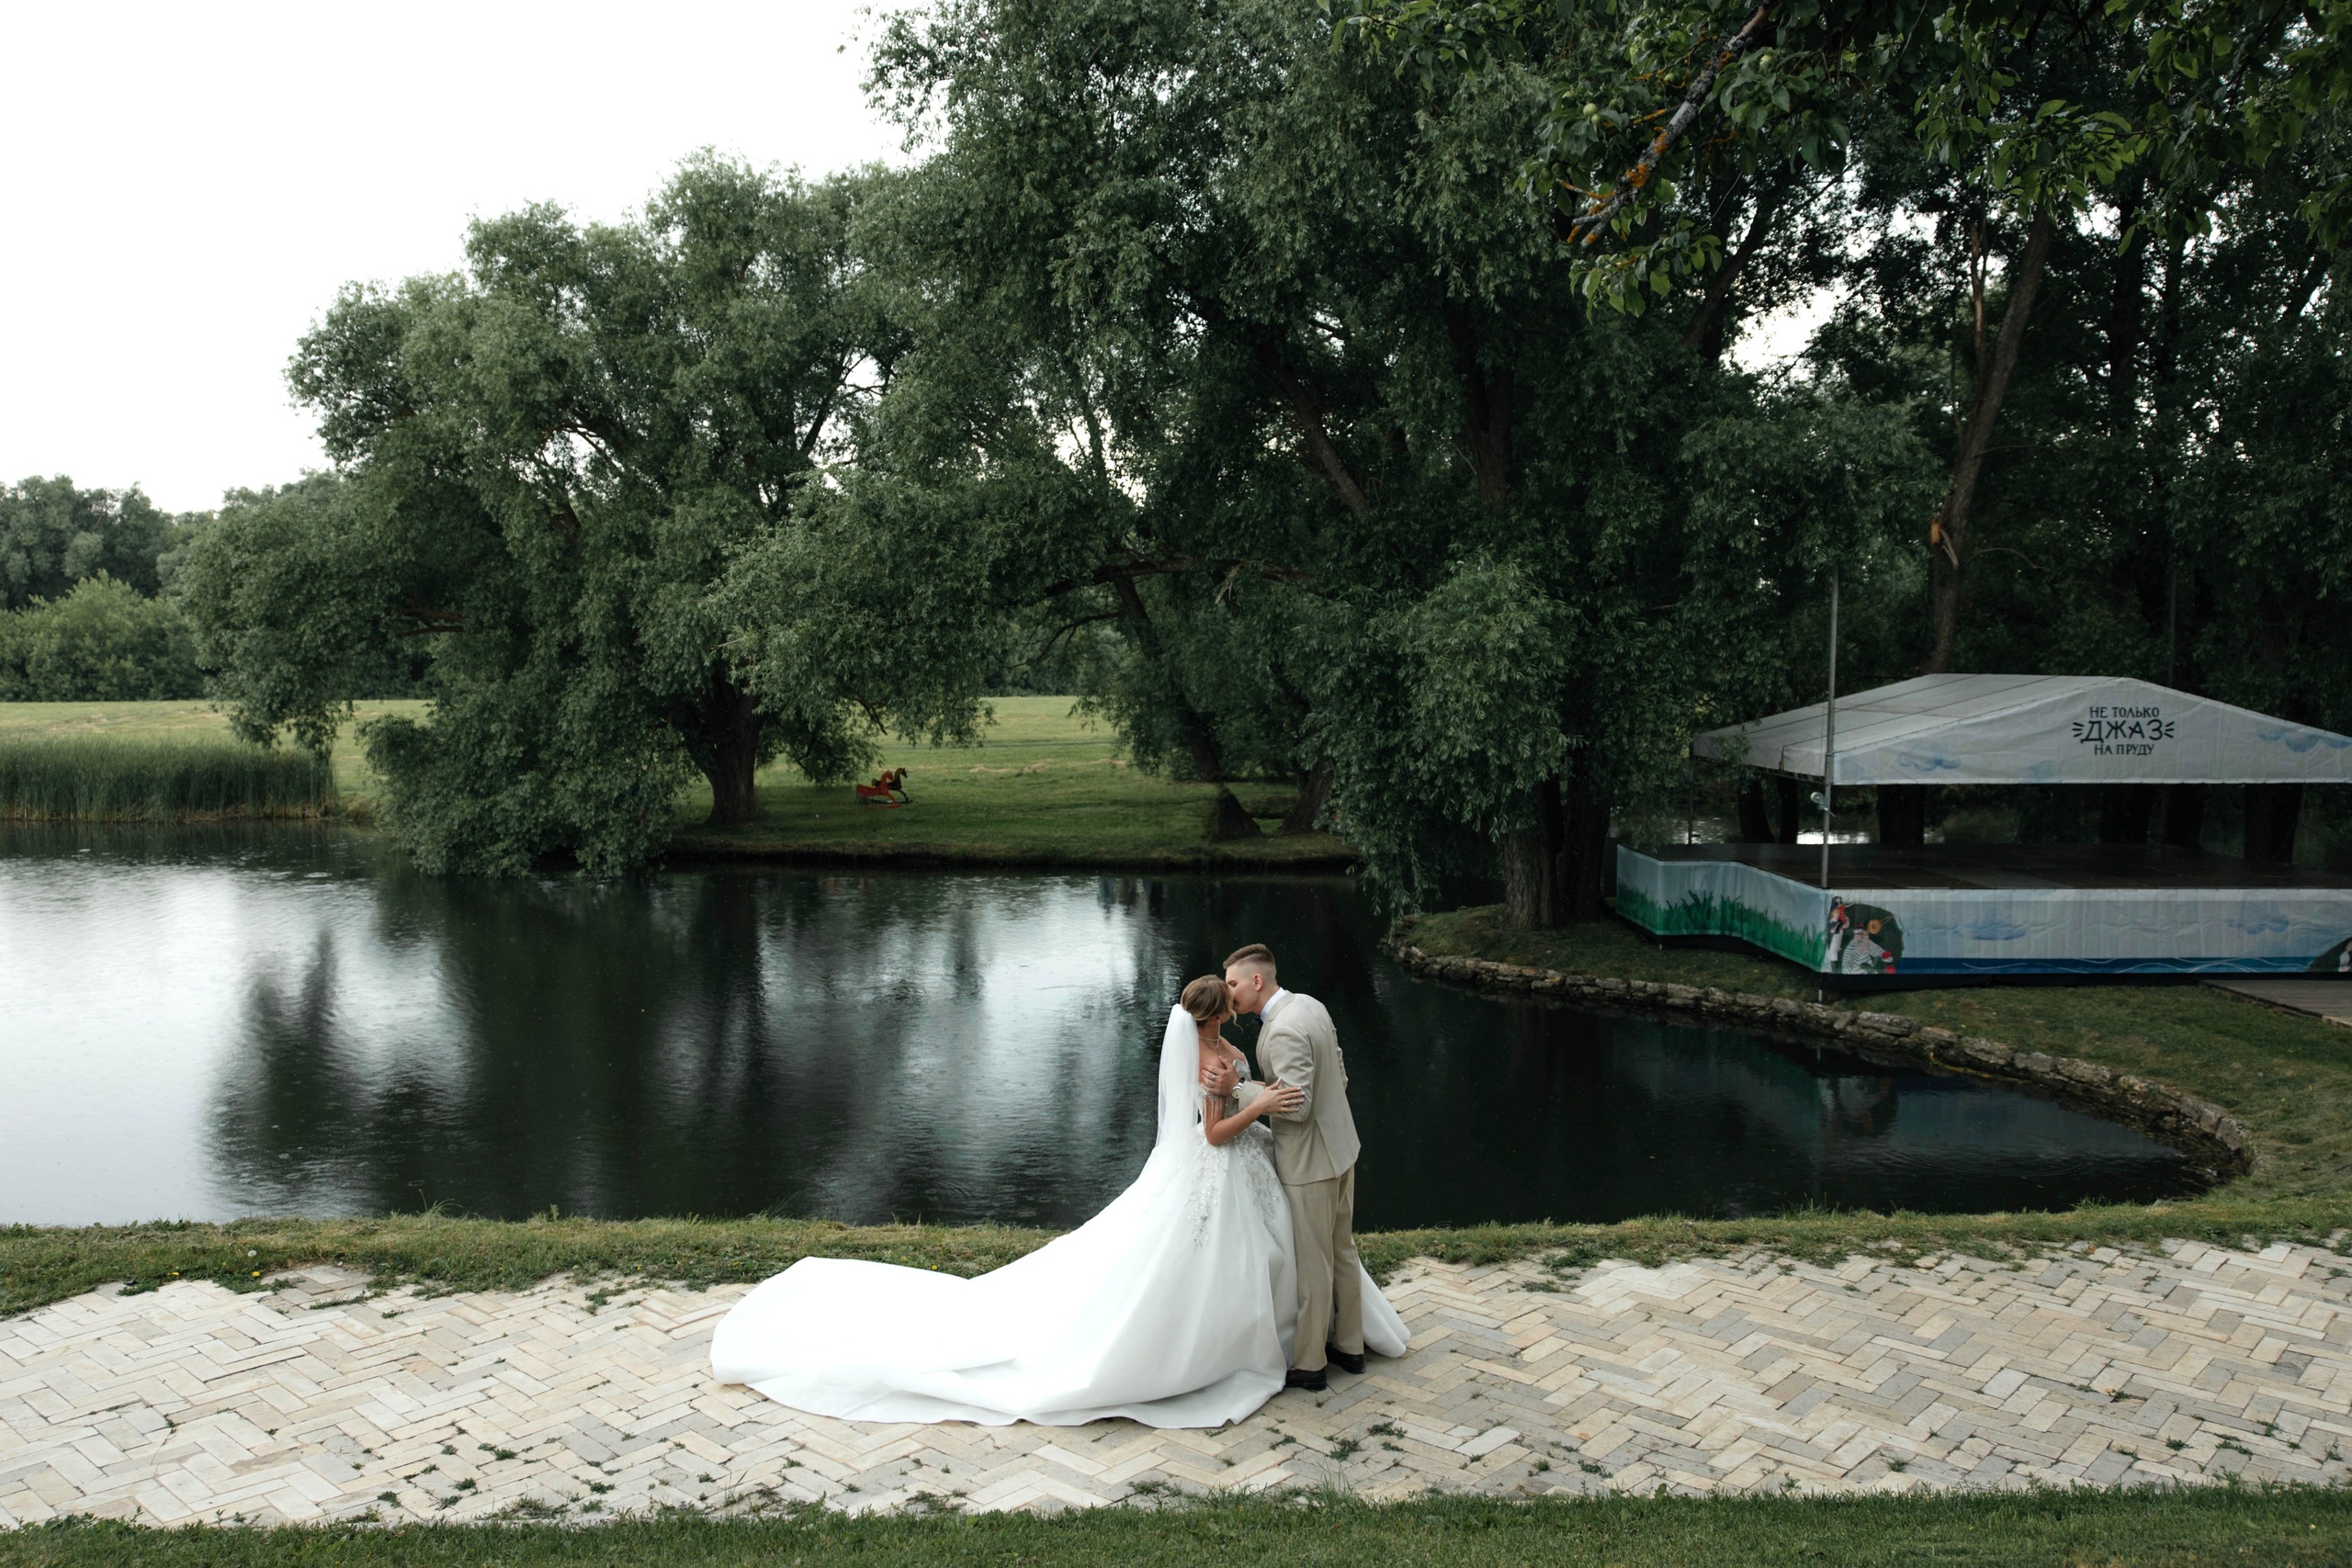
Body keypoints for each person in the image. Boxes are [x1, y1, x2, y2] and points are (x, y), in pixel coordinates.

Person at [709, 976, 1406, 1427]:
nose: (1234, 1003)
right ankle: (1262, 1348)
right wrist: (1254, 1106)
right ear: (1216, 1014)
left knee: (1286, 1250)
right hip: (1219, 1171)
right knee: (1218, 1262)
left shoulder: (1221, 1045)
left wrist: (1253, 1096)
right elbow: (1215, 1136)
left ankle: (1308, 1341)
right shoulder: (1207, 1061)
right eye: (1227, 1002)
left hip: (1244, 1175)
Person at [1205, 942, 1372, 1392]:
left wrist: (1238, 1088)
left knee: (1315, 1264)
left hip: (1310, 1162)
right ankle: (1351, 1347)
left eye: (1235, 983)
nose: (1229, 991)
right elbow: (1337, 1072)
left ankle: (1311, 1363)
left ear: (1257, 981)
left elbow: (1295, 1109)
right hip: (1342, 1147)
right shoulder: (1310, 1006)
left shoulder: (1281, 1030)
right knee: (1342, 1250)